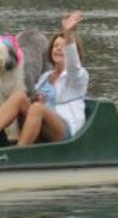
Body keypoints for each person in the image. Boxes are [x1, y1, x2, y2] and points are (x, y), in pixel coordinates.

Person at [0, 11, 89, 146]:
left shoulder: (77, 76)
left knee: (37, 108)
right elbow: (33, 101)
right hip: (40, 124)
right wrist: (34, 99)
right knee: (19, 96)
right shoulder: (45, 77)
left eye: (63, 46)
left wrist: (68, 34)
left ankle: (18, 153)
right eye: (55, 46)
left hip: (63, 130)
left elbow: (73, 64)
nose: (58, 49)